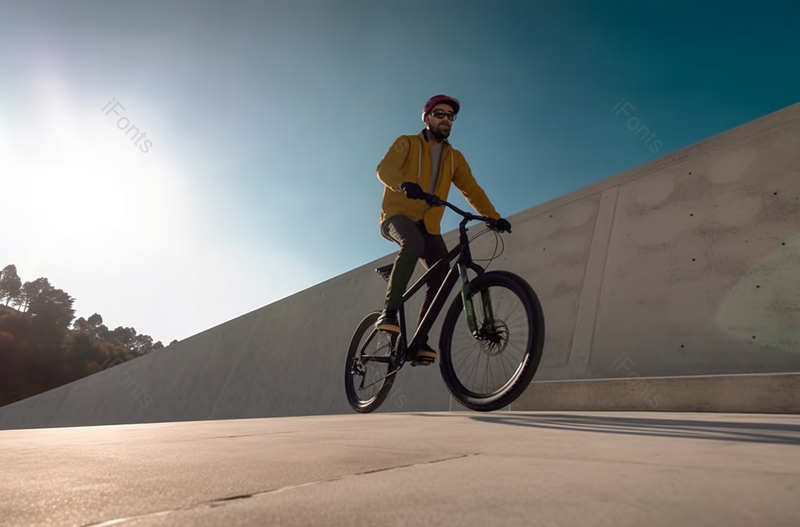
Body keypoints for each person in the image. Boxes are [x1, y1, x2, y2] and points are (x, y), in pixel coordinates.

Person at [374, 94, 511, 364]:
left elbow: (471, 189)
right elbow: (384, 169)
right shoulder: (407, 143)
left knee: (442, 277)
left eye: (450, 116)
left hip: (429, 226)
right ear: (427, 118)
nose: (446, 119)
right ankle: (388, 313)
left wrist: (493, 217)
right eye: (440, 114)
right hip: (397, 216)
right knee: (412, 243)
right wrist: (403, 184)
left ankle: (417, 341)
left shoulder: (454, 158)